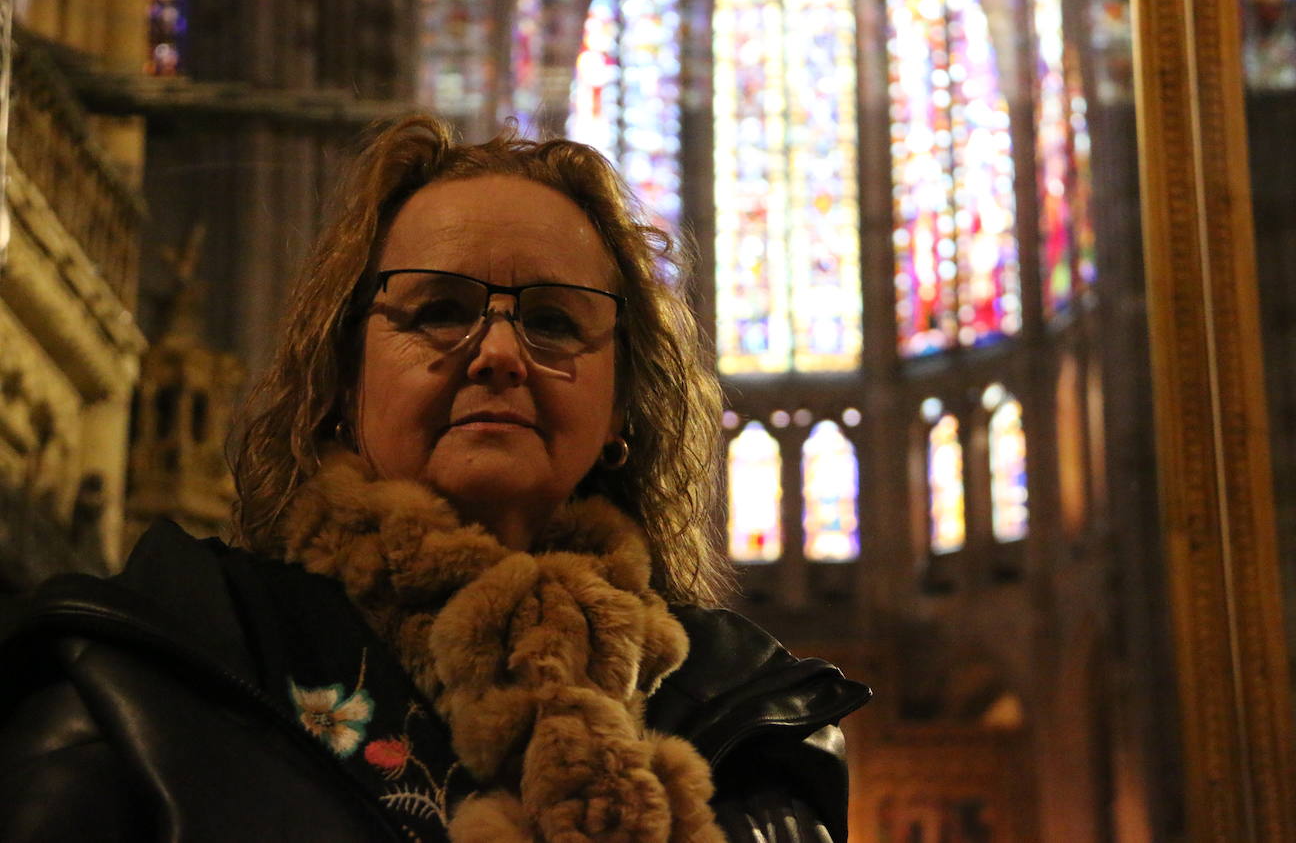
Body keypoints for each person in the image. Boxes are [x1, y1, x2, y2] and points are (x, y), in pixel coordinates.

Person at [0, 115, 870, 842]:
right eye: (439, 311)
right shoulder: (164, 662)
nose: (498, 354)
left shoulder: (744, 719)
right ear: (344, 381)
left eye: (553, 321)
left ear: (620, 411)